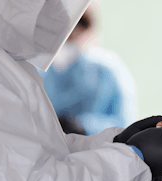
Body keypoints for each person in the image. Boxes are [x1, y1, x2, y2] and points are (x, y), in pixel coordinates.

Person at [0, 0, 162, 181]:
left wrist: (116, 142)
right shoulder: (4, 74)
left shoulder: (12, 67)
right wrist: (132, 158)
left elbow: (41, 154)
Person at [38, 7, 136, 135]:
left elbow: (125, 126)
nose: (65, 38)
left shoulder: (106, 71)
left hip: (96, 150)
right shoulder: (39, 72)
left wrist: (82, 126)